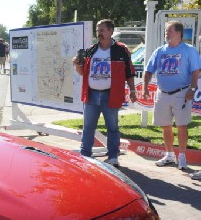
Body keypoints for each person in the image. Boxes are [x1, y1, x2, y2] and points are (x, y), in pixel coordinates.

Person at [73, 19, 137, 167]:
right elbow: (83, 73)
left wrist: (133, 90)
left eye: (102, 30)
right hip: (91, 94)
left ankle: (113, 156)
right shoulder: (91, 50)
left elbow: (129, 72)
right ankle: (85, 155)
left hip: (111, 95)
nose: (99, 33)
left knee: (112, 127)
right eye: (97, 30)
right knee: (88, 127)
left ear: (110, 32)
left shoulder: (121, 50)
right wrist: (77, 65)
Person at [143, 20, 201, 171]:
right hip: (162, 93)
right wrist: (145, 87)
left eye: (169, 31)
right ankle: (169, 154)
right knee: (165, 126)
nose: (166, 33)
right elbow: (148, 70)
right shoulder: (160, 51)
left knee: (182, 126)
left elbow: (196, 71)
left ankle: (182, 157)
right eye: (166, 31)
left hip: (182, 93)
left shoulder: (190, 50)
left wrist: (192, 89)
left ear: (179, 33)